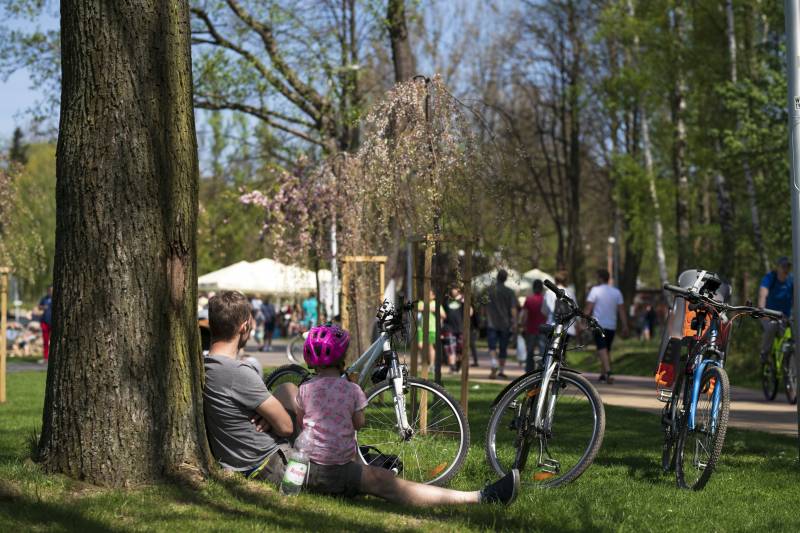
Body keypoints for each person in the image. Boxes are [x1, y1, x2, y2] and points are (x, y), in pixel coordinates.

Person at [296, 322, 519, 505]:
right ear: (343, 356)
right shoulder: (352, 390)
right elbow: (359, 423)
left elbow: (301, 425)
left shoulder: (304, 389)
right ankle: (479, 497)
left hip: (307, 471)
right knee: (391, 485)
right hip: (339, 472)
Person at [203, 291, 299, 485]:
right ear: (244, 327)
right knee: (359, 475)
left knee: (286, 388)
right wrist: (272, 421)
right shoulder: (238, 372)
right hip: (273, 465)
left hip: (249, 460)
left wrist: (268, 417)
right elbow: (286, 428)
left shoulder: (205, 365)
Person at [584, 269, 629, 384]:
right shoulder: (616, 292)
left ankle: (608, 372)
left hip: (599, 324)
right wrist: (624, 325)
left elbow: (589, 308)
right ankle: (603, 375)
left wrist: (583, 320)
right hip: (611, 326)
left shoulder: (595, 290)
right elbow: (622, 310)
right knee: (606, 349)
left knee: (602, 349)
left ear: (600, 278)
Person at [758, 256, 794, 362]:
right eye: (783, 266)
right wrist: (762, 310)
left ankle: (788, 364)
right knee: (772, 326)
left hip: (785, 317)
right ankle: (764, 353)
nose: (786, 269)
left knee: (791, 335)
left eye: (788, 266)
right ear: (778, 267)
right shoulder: (770, 278)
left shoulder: (791, 280)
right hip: (768, 315)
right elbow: (763, 294)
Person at [486, 269, 517, 379]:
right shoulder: (510, 292)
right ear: (506, 278)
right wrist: (514, 322)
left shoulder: (489, 290)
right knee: (503, 348)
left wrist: (483, 317)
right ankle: (501, 370)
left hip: (491, 322)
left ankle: (494, 363)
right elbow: (513, 309)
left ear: (497, 277)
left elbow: (483, 306)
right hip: (505, 324)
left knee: (492, 346)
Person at [519, 279, 547, 373]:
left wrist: (522, 325)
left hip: (530, 329)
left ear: (533, 288)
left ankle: (529, 371)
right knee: (542, 352)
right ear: (542, 289)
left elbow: (524, 315)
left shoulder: (529, 299)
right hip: (543, 330)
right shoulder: (545, 300)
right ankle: (541, 370)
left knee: (530, 351)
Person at [543, 271, 577, 341]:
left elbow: (544, 310)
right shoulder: (570, 292)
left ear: (555, 280)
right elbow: (575, 308)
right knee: (562, 349)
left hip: (552, 325)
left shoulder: (548, 292)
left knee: (551, 348)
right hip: (567, 327)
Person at [441, 288, 465, 373]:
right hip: (448, 328)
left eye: (457, 289)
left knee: (460, 350)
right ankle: (452, 367)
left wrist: (464, 301)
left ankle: (458, 366)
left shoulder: (464, 301)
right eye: (453, 289)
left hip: (461, 329)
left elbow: (470, 313)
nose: (455, 291)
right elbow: (442, 314)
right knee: (451, 349)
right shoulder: (447, 301)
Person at [38, 286, 53, 362]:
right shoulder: (44, 299)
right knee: (45, 340)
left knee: (53, 340)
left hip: (53, 322)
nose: (50, 292)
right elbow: (39, 307)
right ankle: (45, 357)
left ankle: (53, 356)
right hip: (45, 322)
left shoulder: (56, 299)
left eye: (52, 290)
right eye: (49, 290)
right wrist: (43, 307)